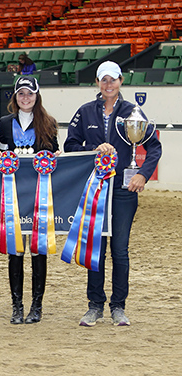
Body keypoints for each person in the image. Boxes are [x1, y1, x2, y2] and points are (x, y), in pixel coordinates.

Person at [64, 61, 162, 326]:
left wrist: (143, 173)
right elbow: (70, 145)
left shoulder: (133, 112)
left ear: (121, 81)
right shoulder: (84, 112)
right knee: (95, 248)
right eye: (103, 80)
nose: (108, 84)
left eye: (113, 79)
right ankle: (94, 305)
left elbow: (154, 147)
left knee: (120, 250)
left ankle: (118, 306)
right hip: (94, 191)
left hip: (123, 191)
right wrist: (93, 148)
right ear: (97, 82)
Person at [0, 76, 60, 325]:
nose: (25, 98)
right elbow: (2, 155)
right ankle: (17, 305)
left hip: (39, 197)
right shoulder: (4, 124)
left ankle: (36, 305)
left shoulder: (49, 123)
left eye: (29, 94)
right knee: (15, 249)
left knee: (38, 249)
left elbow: (55, 156)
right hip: (13, 196)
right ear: (15, 96)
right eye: (21, 93)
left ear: (37, 96)